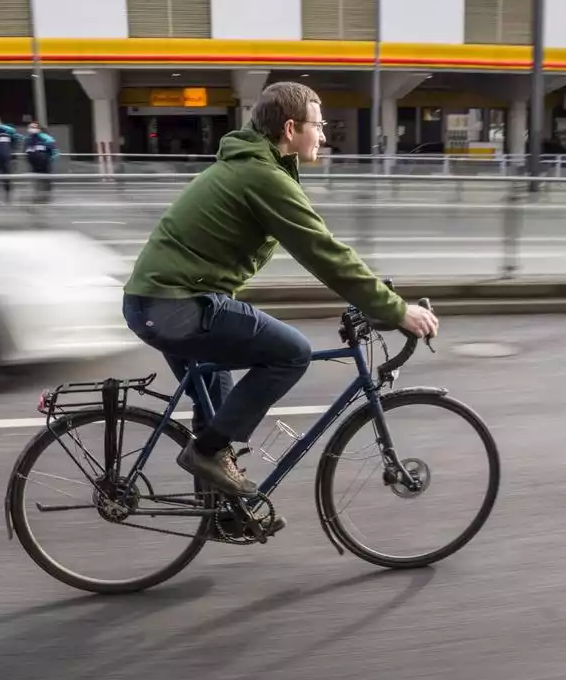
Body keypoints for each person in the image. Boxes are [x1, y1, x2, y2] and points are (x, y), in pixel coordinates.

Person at [121, 82, 439, 522]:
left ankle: (220, 512)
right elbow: (323, 252)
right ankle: (209, 456)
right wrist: (395, 308)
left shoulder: (254, 167)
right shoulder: (262, 176)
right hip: (176, 305)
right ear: (291, 128)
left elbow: (322, 252)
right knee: (292, 353)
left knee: (216, 400)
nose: (324, 136)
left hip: (159, 302)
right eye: (319, 125)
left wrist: (376, 298)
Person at [24, 122, 59, 204]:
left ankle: (46, 196)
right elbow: (26, 151)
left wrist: (48, 160)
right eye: (31, 127)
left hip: (45, 164)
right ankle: (37, 195)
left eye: (34, 127)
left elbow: (54, 151)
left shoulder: (46, 138)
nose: (32, 129)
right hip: (34, 164)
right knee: (37, 180)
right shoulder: (28, 140)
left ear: (39, 129)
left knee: (46, 180)